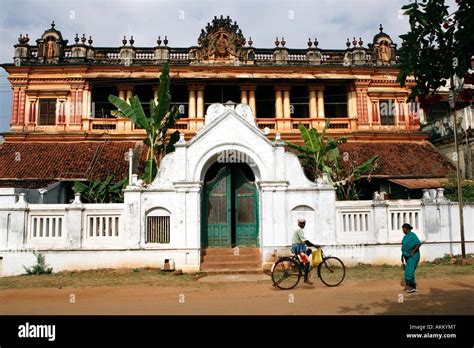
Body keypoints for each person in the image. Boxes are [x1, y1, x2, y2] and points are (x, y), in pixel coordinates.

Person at [291, 218, 320, 285]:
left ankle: (302, 266)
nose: (303, 224)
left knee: (309, 250)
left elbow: (305, 242)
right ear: (299, 223)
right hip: (298, 249)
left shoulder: (299, 230)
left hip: (299, 248)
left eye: (304, 223)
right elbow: (306, 241)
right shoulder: (299, 230)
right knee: (307, 263)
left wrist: (312, 246)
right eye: (301, 223)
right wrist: (315, 245)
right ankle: (305, 279)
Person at [401, 223, 422, 293]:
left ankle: (410, 287)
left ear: (408, 229)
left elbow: (418, 243)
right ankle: (413, 287)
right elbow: (404, 247)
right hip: (407, 257)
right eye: (402, 229)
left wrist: (413, 252)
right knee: (410, 270)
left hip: (413, 256)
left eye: (404, 229)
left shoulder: (412, 235)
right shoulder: (405, 236)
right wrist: (402, 256)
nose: (403, 231)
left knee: (409, 272)